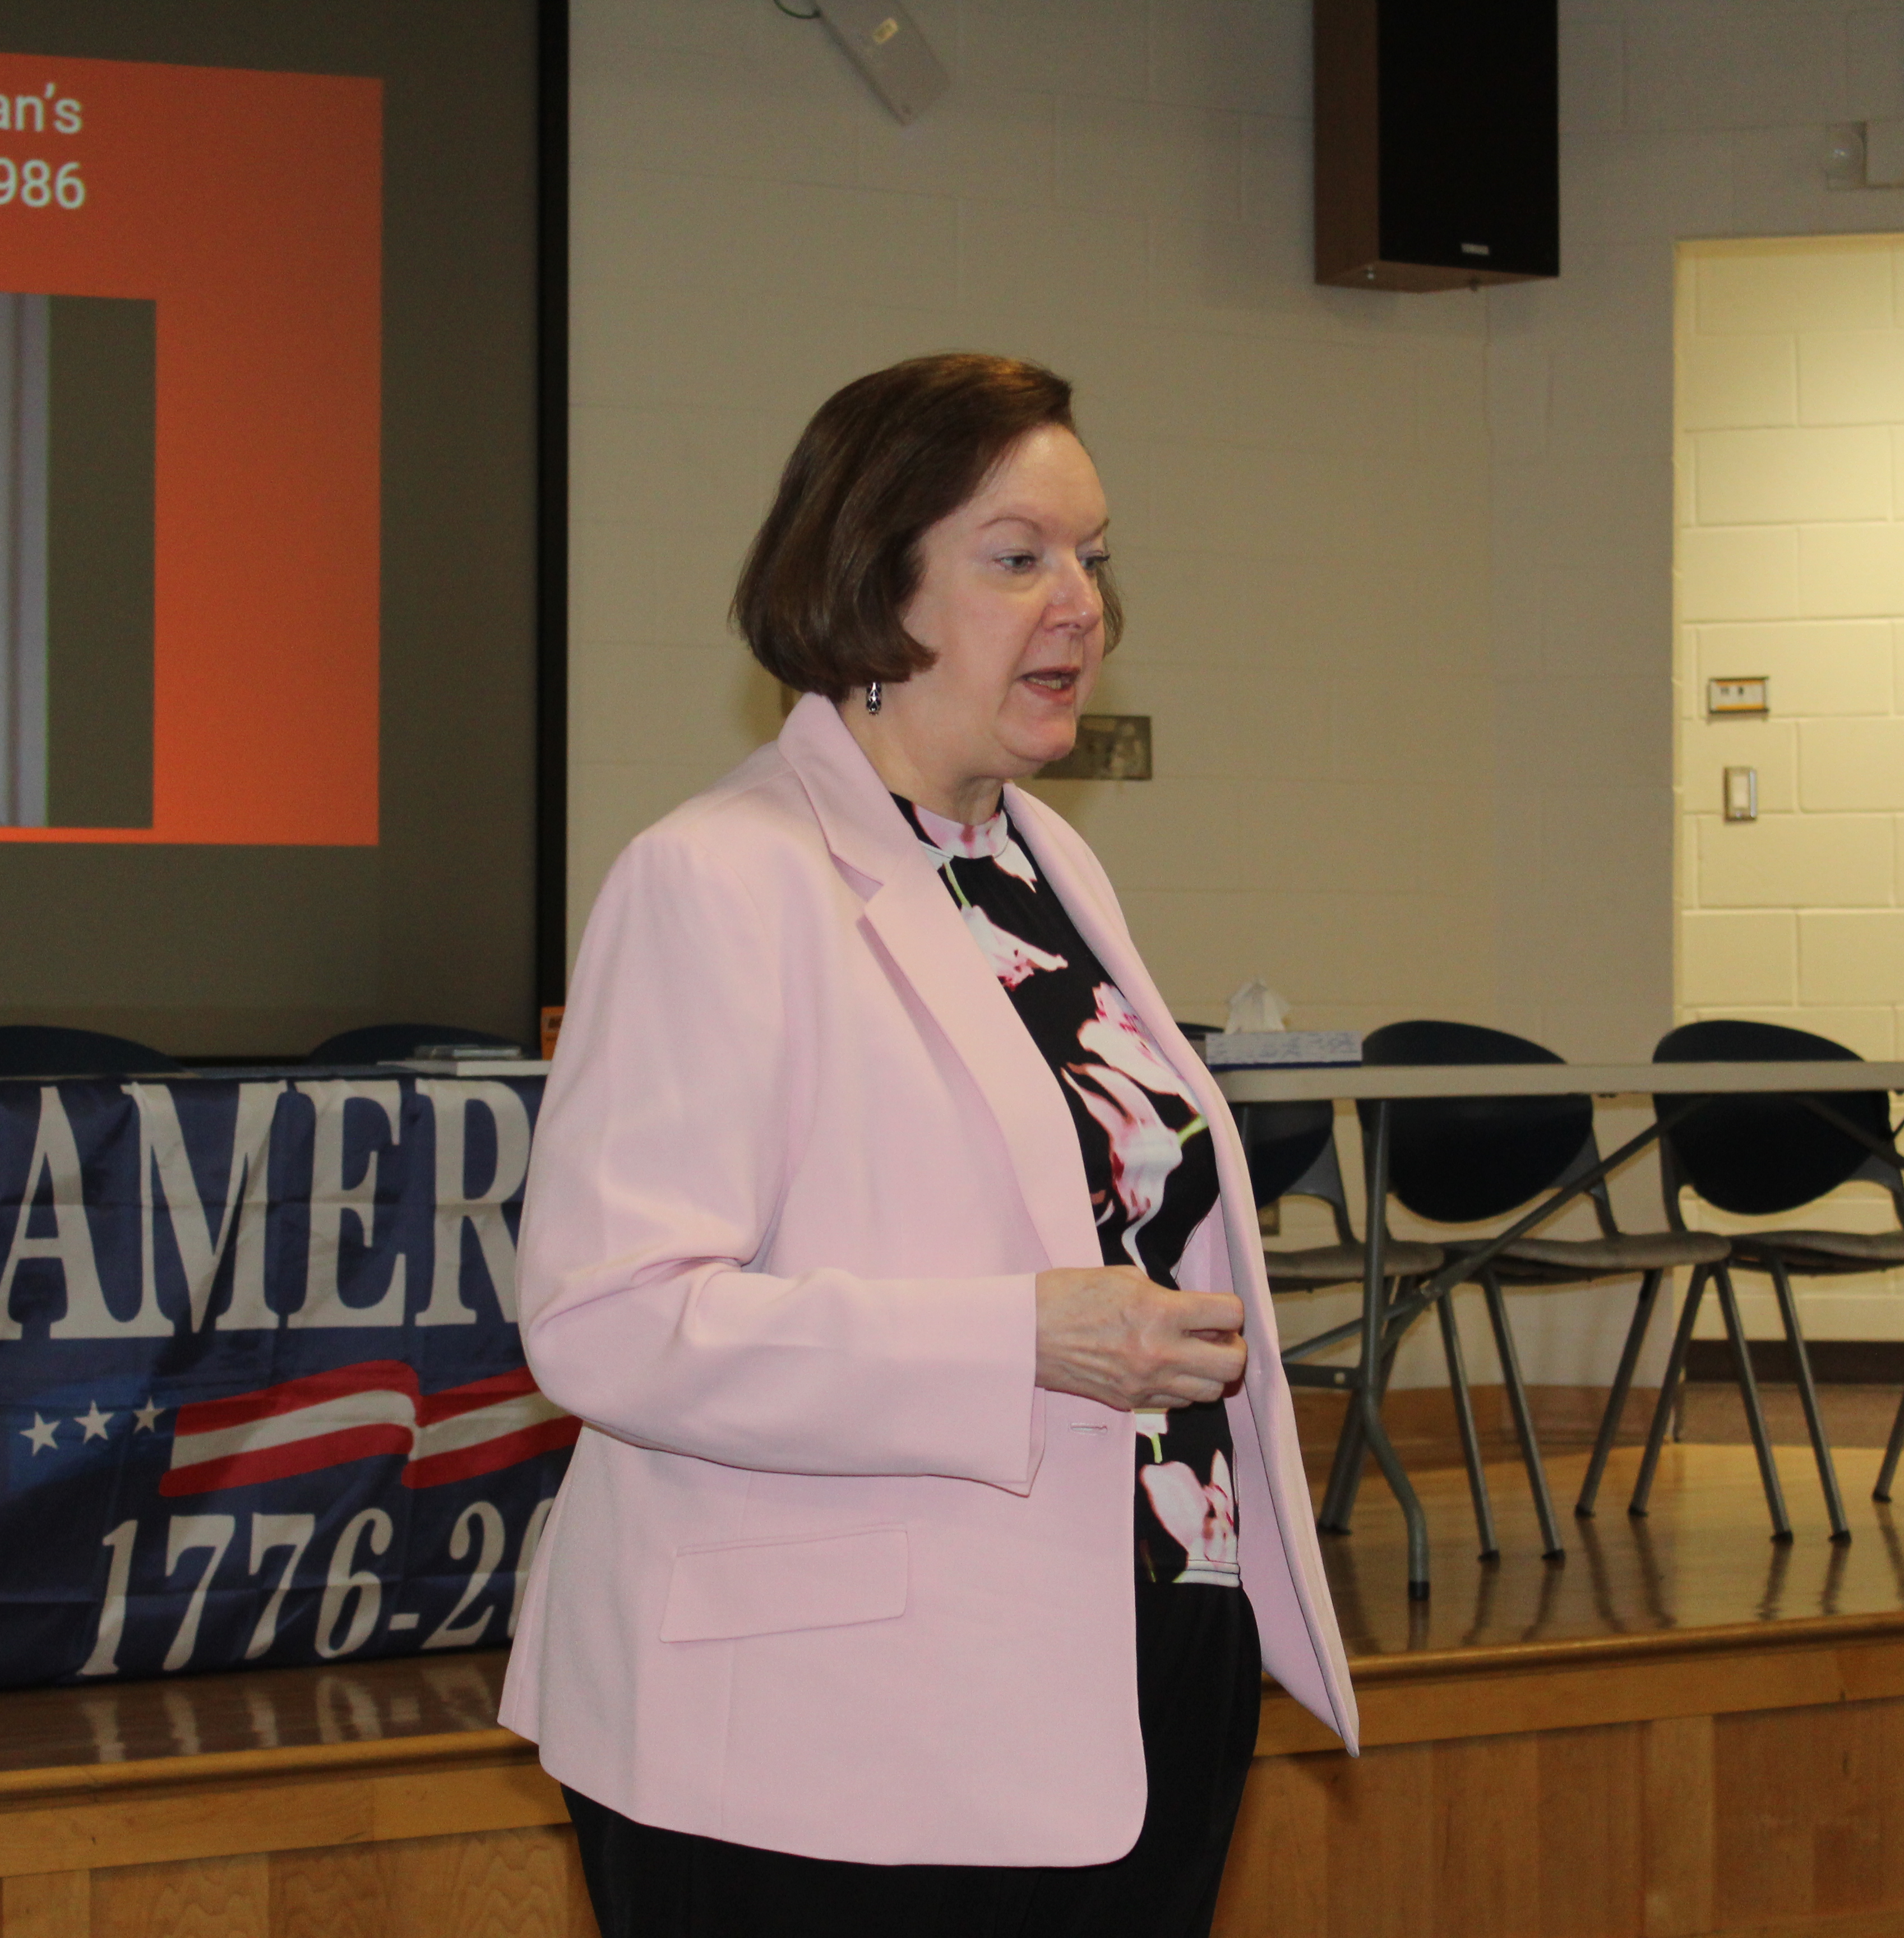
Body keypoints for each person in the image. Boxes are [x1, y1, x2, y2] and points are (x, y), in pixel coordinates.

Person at [505, 353, 1357, 1937]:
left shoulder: (1038, 871)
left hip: (1125, 1663)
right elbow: (608, 1318)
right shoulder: (720, 878)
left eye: (1095, 560)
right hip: (818, 1741)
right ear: (870, 585)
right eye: (1019, 557)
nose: (1081, 604)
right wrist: (1021, 1338)